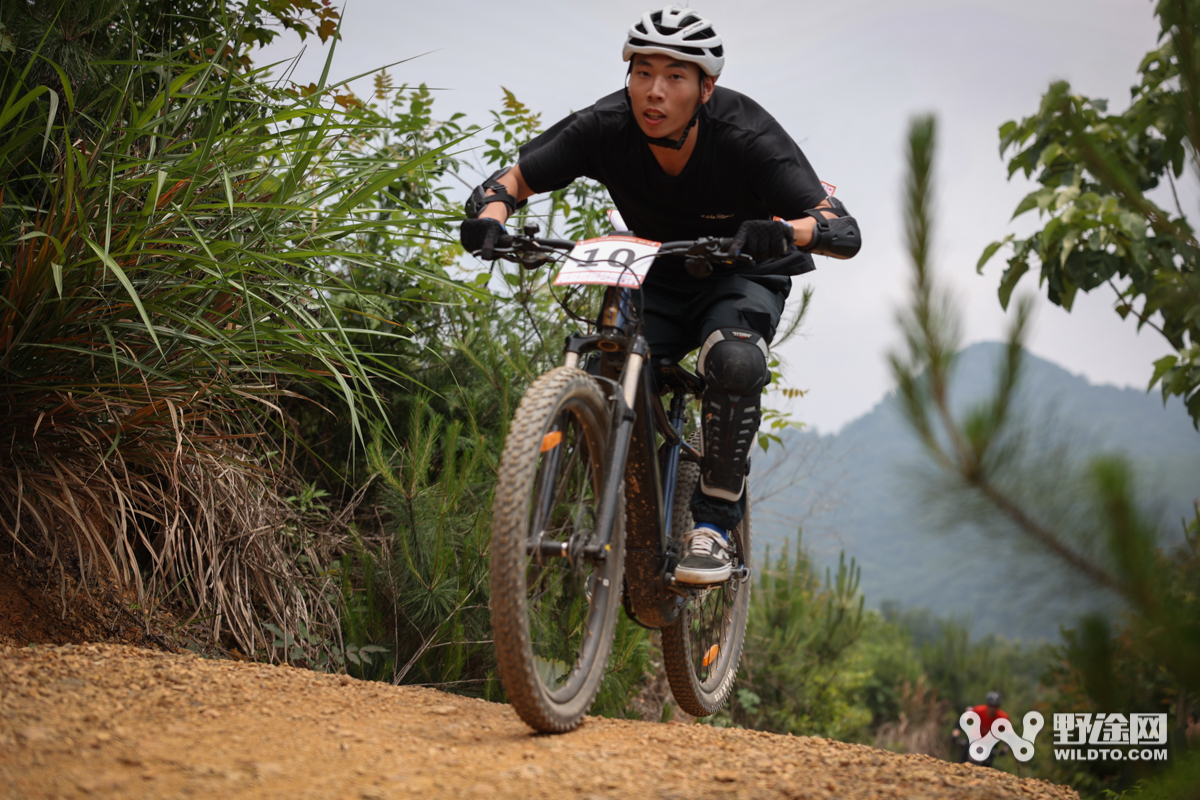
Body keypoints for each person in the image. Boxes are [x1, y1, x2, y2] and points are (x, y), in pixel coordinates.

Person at [460, 6, 861, 584]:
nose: (653, 91)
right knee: (606, 362)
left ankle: (714, 527)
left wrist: (785, 231)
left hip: (741, 270)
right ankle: (615, 506)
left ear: (706, 88)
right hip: (660, 267)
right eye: (642, 72)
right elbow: (511, 180)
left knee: (734, 358)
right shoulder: (606, 125)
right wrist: (492, 218)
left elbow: (842, 230)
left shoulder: (746, 134)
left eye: (675, 77)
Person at [953, 691, 1011, 765]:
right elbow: (962, 721)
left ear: (999, 706)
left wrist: (1005, 749)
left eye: (995, 706)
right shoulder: (978, 711)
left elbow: (1009, 735)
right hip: (974, 740)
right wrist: (955, 734)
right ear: (987, 704)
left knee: (986, 767)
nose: (993, 709)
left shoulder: (1003, 718)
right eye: (991, 705)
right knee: (963, 763)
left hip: (990, 744)